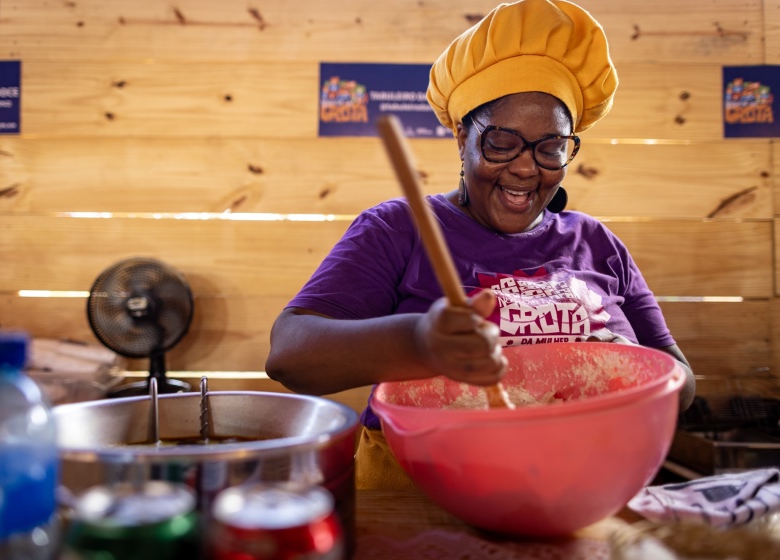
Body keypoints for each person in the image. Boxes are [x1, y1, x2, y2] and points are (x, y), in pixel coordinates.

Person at [266, 0, 696, 490]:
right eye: (501, 142)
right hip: (422, 499)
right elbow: (289, 355)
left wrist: (632, 372)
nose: (526, 167)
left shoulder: (597, 243)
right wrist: (420, 342)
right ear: (461, 138)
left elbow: (682, 382)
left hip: (581, 491)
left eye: (550, 147)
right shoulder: (401, 228)